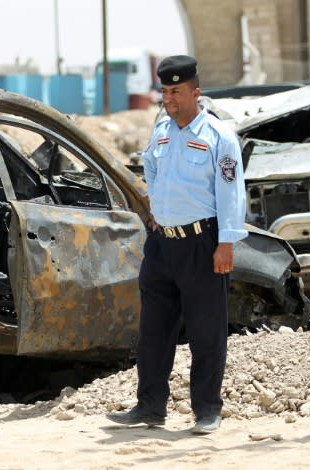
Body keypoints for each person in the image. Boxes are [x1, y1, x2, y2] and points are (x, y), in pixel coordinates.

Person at [106, 55, 247, 434]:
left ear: (195, 92)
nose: (169, 98)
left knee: (206, 330)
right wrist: (157, 208)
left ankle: (206, 410)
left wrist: (228, 242)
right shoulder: (162, 130)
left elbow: (232, 191)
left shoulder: (218, 136)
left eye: (177, 91)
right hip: (162, 245)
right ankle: (150, 407)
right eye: (165, 90)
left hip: (203, 243)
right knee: (153, 330)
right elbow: (150, 167)